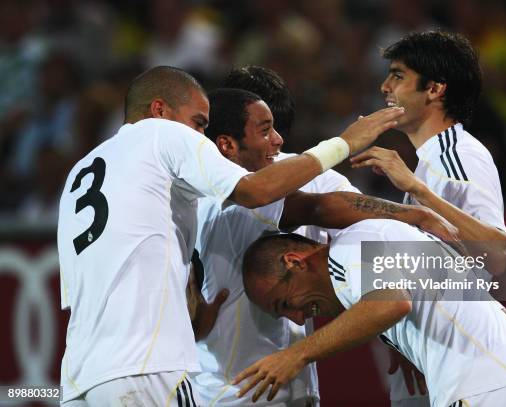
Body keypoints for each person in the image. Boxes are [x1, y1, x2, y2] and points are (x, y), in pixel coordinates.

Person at [57, 65, 404, 406]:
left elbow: (386, 252)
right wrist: (344, 143)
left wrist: (400, 336)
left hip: (82, 373)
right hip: (155, 368)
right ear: (226, 142)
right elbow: (259, 193)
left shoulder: (88, 174)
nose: (199, 136)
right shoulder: (173, 148)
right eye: (199, 124)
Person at [191, 87, 458, 406]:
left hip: (293, 388)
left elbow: (363, 230)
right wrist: (413, 211)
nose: (277, 139)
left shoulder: (196, 198)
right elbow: (317, 208)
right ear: (227, 144)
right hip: (235, 395)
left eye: (276, 126)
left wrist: (397, 332)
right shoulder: (226, 199)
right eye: (265, 130)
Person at [235, 220, 506, 407]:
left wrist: (297, 355)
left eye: (285, 304)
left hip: (488, 392)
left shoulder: (349, 249)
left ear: (295, 262)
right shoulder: (381, 241)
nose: (297, 318)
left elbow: (391, 303)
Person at [349, 31, 506, 405]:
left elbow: (497, 256)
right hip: (428, 355)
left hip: (459, 362)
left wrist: (416, 189)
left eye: (398, 75)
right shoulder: (429, 161)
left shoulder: (459, 154)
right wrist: (398, 330)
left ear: (435, 89)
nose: (384, 85)